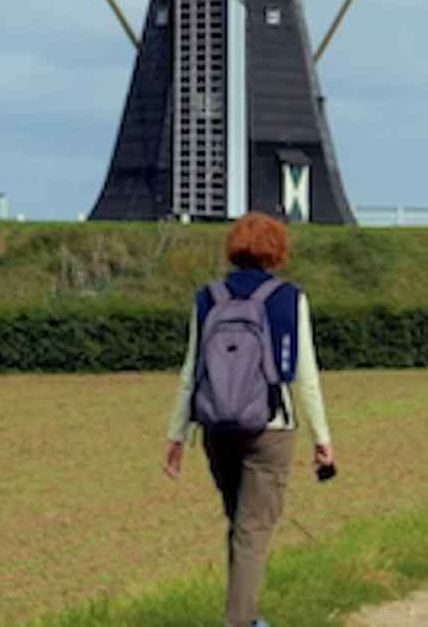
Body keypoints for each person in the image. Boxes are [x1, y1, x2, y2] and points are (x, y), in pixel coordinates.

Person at [164, 212, 335, 627]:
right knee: (253, 530)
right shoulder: (289, 298)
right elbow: (306, 377)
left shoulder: (208, 297)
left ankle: (248, 615)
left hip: (216, 426)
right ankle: (239, 623)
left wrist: (176, 435)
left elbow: (192, 371)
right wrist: (322, 439)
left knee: (240, 526)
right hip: (270, 428)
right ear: (277, 250)